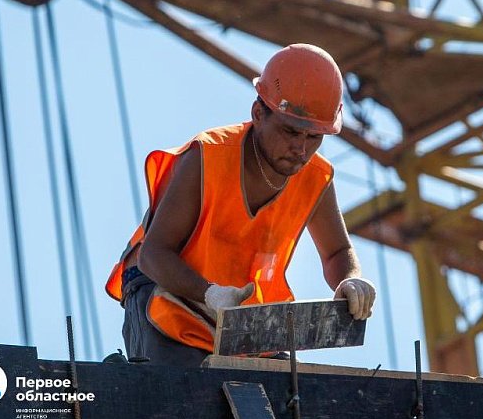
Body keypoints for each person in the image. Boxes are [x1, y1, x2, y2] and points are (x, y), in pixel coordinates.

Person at [104, 43, 376, 367]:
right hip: (167, 290)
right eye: (290, 132)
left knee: (290, 401)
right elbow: (153, 255)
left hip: (239, 315)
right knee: (184, 399)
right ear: (259, 113)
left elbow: (336, 253)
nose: (301, 150)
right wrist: (209, 294)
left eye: (314, 137)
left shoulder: (315, 177)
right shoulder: (207, 158)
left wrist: (350, 279)